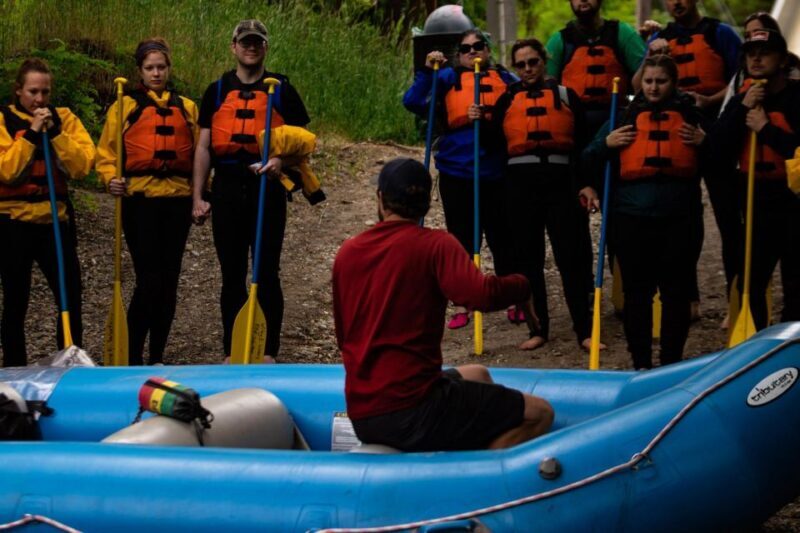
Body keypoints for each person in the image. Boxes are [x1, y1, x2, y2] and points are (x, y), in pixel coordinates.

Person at [332, 157, 553, 451]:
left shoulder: (348, 252)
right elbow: (480, 295)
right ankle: (477, 474)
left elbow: (343, 337)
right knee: (540, 413)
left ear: (380, 199)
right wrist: (522, 287)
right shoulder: (436, 244)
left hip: (364, 414)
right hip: (416, 410)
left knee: (478, 373)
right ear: (426, 204)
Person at [191, 20, 313, 363]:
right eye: (245, 41)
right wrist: (197, 196)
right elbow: (203, 148)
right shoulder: (216, 91)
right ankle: (232, 350)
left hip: (267, 189)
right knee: (231, 274)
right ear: (234, 46)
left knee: (266, 272)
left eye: (257, 42)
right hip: (227, 189)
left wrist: (279, 160)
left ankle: (268, 350)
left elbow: (303, 144)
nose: (251, 47)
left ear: (265, 47)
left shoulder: (282, 91)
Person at [583, 55, 708, 369]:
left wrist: (705, 142)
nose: (653, 87)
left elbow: (720, 159)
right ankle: (640, 362)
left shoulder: (692, 117)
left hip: (680, 220)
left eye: (661, 81)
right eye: (649, 81)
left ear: (673, 83)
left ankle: (671, 361)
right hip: (631, 221)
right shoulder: (623, 117)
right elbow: (586, 158)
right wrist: (606, 144)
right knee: (637, 295)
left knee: (676, 295)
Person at [403, 29, 519, 329]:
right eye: (465, 48)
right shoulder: (447, 77)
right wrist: (427, 72)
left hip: (495, 172)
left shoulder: (505, 79)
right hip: (456, 172)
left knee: (502, 238)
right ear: (459, 54)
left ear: (487, 50)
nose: (472, 52)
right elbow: (413, 102)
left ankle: (512, 298)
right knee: (462, 241)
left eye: (478, 46)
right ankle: (463, 302)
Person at [633, 0, 741, 320]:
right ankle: (687, 298)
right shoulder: (659, 39)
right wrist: (651, 54)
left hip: (717, 129)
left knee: (729, 220)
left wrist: (709, 100)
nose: (676, 2)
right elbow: (638, 87)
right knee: (684, 219)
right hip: (678, 135)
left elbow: (741, 79)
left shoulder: (720, 34)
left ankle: (736, 299)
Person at [491, 38, 599, 351]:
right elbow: (494, 144)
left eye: (533, 62)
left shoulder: (567, 96)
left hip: (561, 185)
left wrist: (586, 183)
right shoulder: (506, 100)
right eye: (521, 64)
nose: (527, 69)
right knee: (529, 261)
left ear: (544, 61)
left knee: (572, 259)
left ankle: (584, 330)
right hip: (520, 188)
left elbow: (583, 147)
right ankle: (538, 330)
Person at [96, 38, 198, 365]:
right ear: (140, 70)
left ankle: (157, 354)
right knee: (148, 280)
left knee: (169, 282)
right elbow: (107, 154)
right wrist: (110, 178)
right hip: (140, 202)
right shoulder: (124, 105)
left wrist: (201, 195)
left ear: (169, 69)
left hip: (177, 202)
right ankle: (132, 355)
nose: (156, 73)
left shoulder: (187, 108)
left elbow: (200, 156)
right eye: (150, 68)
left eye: (161, 67)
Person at [0, 58, 95, 366]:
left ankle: (68, 362)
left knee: (70, 296)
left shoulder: (64, 118)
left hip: (55, 221)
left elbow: (82, 166)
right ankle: (14, 367)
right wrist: (31, 133)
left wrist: (54, 133)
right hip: (13, 223)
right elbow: (7, 171)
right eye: (33, 92)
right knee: (15, 299)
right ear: (18, 90)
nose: (40, 99)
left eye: (45, 92)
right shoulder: (2, 120)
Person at [712, 29, 800, 330]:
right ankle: (759, 340)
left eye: (765, 53)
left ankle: (791, 342)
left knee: (795, 281)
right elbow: (717, 149)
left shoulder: (797, 98)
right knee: (752, 279)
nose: (757, 59)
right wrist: (741, 109)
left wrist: (766, 129)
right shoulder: (741, 100)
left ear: (783, 60)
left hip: (793, 200)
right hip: (755, 199)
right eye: (751, 54)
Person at [545, 0, 646, 137]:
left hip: (616, 121)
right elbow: (547, 87)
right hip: (574, 124)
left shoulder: (623, 34)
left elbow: (646, 78)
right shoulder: (559, 41)